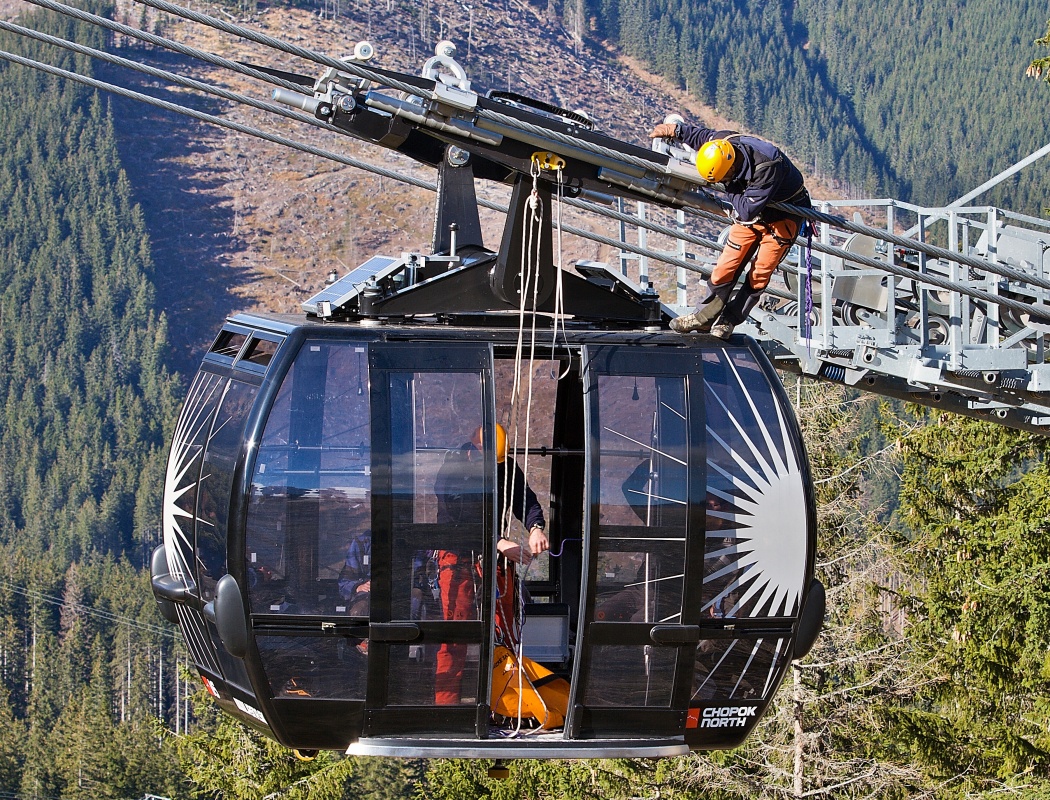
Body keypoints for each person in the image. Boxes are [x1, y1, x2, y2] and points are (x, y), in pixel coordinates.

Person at [649, 119, 812, 339]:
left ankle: (729, 320)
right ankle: (702, 318)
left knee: (759, 273)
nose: (724, 182)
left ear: (732, 167)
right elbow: (700, 136)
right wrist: (677, 131)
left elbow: (746, 211)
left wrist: (729, 186)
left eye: (724, 178)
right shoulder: (721, 144)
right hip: (753, 207)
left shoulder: (766, 166)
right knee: (727, 265)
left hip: (783, 215)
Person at [432, 423, 548, 705]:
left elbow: (526, 500)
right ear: (475, 448)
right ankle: (446, 708)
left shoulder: (505, 467)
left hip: (492, 556)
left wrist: (535, 528)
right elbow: (457, 517)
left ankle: (505, 705)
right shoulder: (453, 470)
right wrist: (499, 542)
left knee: (505, 628)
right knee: (455, 633)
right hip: (457, 555)